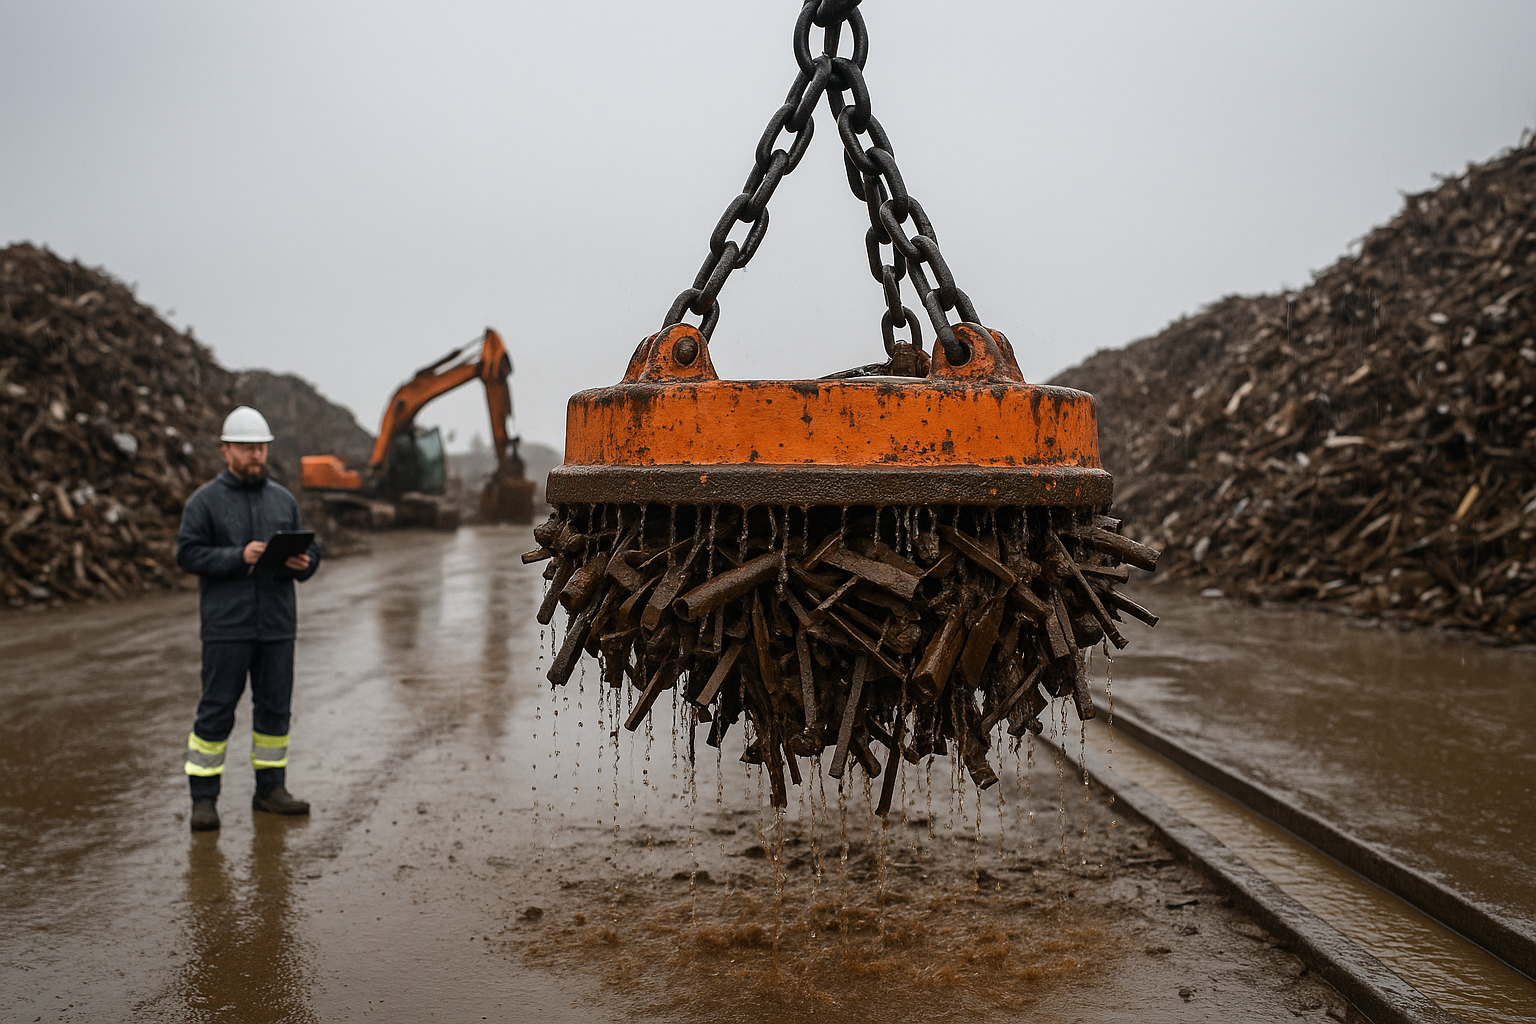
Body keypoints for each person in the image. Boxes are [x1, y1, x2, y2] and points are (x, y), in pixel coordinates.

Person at [176, 406, 322, 832]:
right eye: (246, 449)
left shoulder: (283, 500)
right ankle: (204, 800)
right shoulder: (204, 502)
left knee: (275, 712)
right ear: (226, 452)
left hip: (277, 625)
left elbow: (311, 555)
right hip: (227, 626)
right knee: (216, 712)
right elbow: (187, 553)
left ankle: (270, 791)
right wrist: (238, 556)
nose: (255, 455)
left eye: (260, 448)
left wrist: (304, 561)